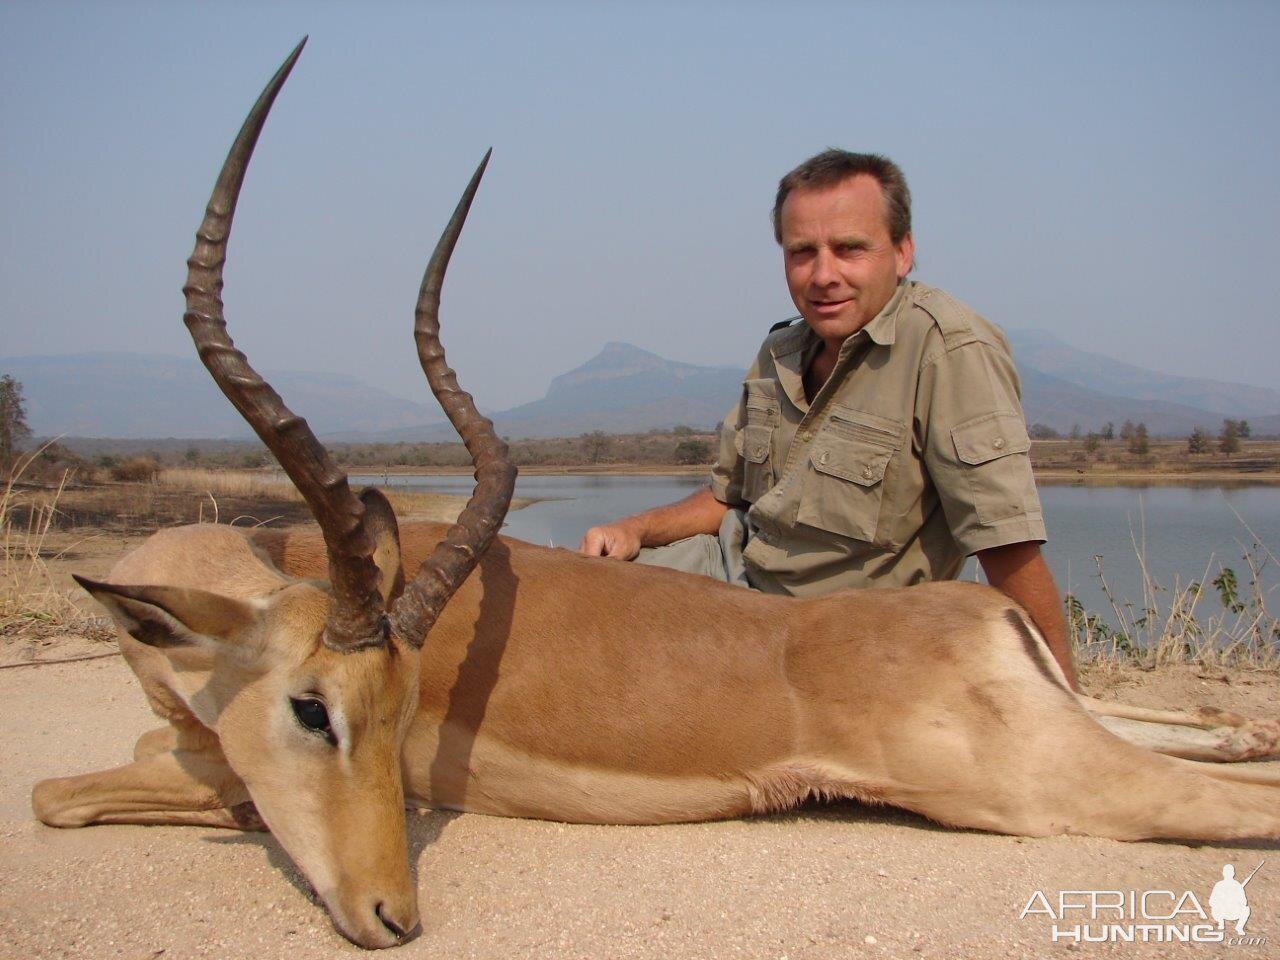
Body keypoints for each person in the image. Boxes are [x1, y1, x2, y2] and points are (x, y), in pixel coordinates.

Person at [579, 149, 1075, 690]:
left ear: (903, 252)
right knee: (568, 605)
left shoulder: (947, 350)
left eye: (849, 249)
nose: (823, 275)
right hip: (732, 586)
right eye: (802, 252)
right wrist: (631, 530)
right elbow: (727, 499)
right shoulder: (781, 348)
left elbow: (1007, 548)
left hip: (834, 640)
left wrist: (1069, 707)